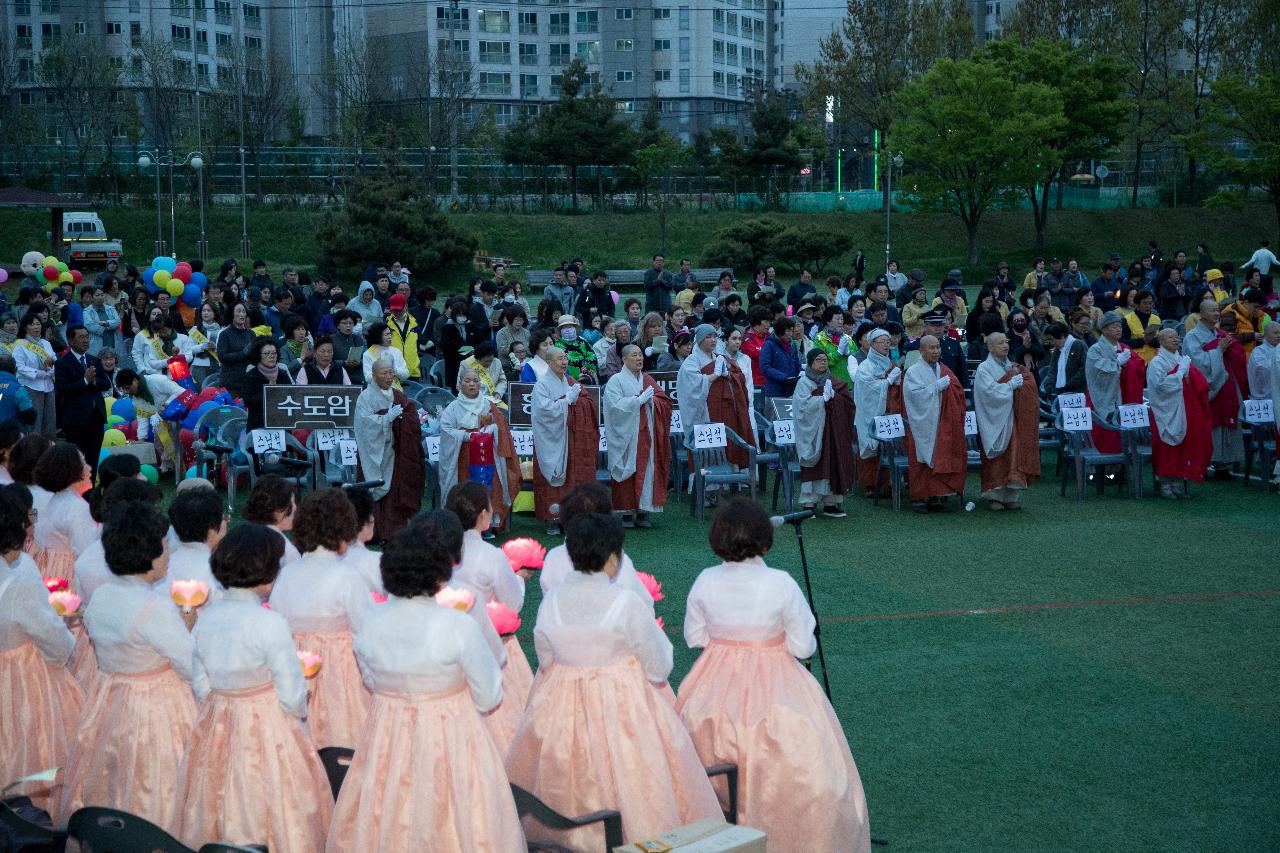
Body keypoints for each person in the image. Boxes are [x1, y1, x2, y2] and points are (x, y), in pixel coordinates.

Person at [506, 512, 722, 849]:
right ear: (612, 558)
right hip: (624, 710)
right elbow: (660, 665)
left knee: (563, 782)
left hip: (561, 712)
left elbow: (545, 658)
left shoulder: (553, 602)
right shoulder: (625, 603)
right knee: (636, 784)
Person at [676, 498, 872, 853]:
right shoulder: (780, 583)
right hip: (777, 683)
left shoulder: (705, 580)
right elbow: (802, 646)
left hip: (712, 686)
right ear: (765, 541)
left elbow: (695, 637)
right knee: (809, 759)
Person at [326, 516, 523, 852]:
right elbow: (490, 695)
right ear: (440, 572)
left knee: (389, 814)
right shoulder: (457, 626)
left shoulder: (372, 621)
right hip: (453, 736)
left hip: (387, 736)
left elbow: (371, 679)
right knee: (459, 819)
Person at [173, 524, 333, 853]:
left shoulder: (208, 618)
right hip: (269, 726)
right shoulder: (269, 623)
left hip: (218, 722)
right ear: (268, 572)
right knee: (274, 799)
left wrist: (226, 700)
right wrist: (300, 707)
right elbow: (291, 696)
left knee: (219, 793)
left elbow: (201, 684)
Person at [58, 500, 196, 832]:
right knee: (157, 783)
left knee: (112, 776)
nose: (169, 554)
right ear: (148, 553)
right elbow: (190, 664)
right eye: (164, 546)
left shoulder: (103, 596)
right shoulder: (154, 607)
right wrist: (187, 626)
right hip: (158, 708)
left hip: (109, 701)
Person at [268, 488, 372, 752]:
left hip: (294, 674)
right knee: (343, 743)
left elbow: (277, 625)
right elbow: (365, 632)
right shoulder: (348, 577)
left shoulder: (287, 575)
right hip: (341, 679)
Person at [0, 484, 81, 812]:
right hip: (24, 677)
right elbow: (55, 642)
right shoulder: (19, 582)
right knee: (34, 749)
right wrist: (66, 633)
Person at [445, 482, 531, 752]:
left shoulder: (438, 551)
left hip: (445, 646)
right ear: (483, 516)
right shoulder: (491, 556)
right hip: (491, 642)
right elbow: (513, 603)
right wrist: (520, 578)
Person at [354, 360, 425, 541]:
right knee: (372, 491)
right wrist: (386, 419)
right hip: (374, 453)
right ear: (374, 374)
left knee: (396, 493)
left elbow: (411, 416)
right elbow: (364, 425)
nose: (388, 377)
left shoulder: (398, 395)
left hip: (396, 453)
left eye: (390, 373)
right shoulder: (366, 397)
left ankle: (395, 531)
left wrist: (402, 419)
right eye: (383, 373)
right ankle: (373, 533)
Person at [604, 344, 673, 528]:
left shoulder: (648, 379)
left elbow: (664, 402)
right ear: (624, 360)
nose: (639, 358)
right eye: (634, 355)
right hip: (625, 435)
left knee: (647, 469)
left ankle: (643, 511)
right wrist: (638, 401)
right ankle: (626, 513)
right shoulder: (615, 381)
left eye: (640, 355)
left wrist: (652, 401)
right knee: (626, 468)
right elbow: (614, 407)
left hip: (646, 434)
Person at [533, 348, 600, 535]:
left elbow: (586, 402)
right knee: (552, 478)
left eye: (565, 358)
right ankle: (551, 519)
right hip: (551, 439)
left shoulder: (570, 381)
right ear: (549, 362)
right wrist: (567, 401)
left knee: (571, 478)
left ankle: (569, 517)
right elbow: (543, 412)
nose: (564, 362)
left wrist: (574, 401)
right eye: (559, 359)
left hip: (570, 439)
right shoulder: (542, 385)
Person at [973, 333, 1041, 511]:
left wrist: (1020, 383)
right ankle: (993, 495)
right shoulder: (984, 368)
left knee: (1014, 454)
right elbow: (988, 393)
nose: (1005, 346)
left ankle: (1011, 495)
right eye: (1000, 343)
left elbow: (1025, 384)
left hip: (1012, 417)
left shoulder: (1011, 366)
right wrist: (1010, 385)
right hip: (994, 419)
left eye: (1006, 342)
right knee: (997, 458)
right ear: (990, 347)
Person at [901, 335, 967, 513]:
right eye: (931, 348)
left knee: (939, 456)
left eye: (938, 347)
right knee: (920, 461)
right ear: (921, 351)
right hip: (921, 423)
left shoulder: (943, 369)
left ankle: (935, 495)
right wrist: (935, 388)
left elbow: (957, 390)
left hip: (941, 421)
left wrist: (947, 387)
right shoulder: (913, 371)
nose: (936, 351)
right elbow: (913, 396)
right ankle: (919, 498)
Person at [1147, 328, 1213, 497]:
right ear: (1161, 341)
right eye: (1170, 337)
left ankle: (1176, 483)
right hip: (1165, 411)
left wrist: (1184, 372)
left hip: (1182, 409)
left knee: (1182, 447)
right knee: (1166, 447)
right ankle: (1164, 484)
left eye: (1177, 337)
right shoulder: (1157, 362)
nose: (1175, 340)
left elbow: (1197, 383)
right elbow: (1160, 386)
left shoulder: (1182, 359)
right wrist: (1180, 373)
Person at [1182, 301, 1244, 473]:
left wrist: (1228, 349)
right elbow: (1196, 362)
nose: (1216, 314)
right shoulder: (1192, 336)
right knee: (1208, 423)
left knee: (1225, 421)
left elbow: (1235, 356)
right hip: (1208, 387)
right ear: (1201, 313)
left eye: (1218, 310)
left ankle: (1223, 463)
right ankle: (1205, 463)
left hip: (1225, 383)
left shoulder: (1221, 334)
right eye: (1212, 310)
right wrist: (1218, 351)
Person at [792, 348, 856, 517]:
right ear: (811, 362)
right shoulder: (804, 382)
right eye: (819, 360)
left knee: (833, 462)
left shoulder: (834, 381)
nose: (823, 362)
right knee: (815, 465)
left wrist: (835, 399)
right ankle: (809, 504)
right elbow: (801, 407)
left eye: (825, 359)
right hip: (814, 433)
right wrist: (822, 400)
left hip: (833, 432)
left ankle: (831, 503)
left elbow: (849, 404)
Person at [31, 442, 95, 587]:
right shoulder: (76, 507)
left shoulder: (54, 501)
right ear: (72, 470)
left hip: (47, 575)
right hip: (68, 579)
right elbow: (86, 553)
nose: (90, 469)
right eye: (84, 464)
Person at [1084, 312, 1147, 455]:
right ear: (1104, 329)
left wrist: (1128, 365)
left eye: (1119, 327)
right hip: (1101, 397)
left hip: (1122, 396)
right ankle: (1102, 467)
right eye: (1114, 327)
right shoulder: (1095, 349)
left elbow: (1139, 367)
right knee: (1103, 433)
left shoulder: (1124, 347)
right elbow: (1096, 371)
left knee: (1120, 436)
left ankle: (1120, 466)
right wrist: (1118, 363)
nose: (1118, 330)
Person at [156, 486, 227, 608]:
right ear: (211, 531)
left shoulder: (165, 563)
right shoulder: (217, 572)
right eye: (224, 518)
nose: (226, 522)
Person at [852, 328, 902, 499]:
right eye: (882, 342)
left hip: (889, 410)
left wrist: (897, 380)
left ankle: (888, 482)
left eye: (888, 342)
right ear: (872, 344)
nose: (886, 345)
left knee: (890, 447)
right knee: (869, 444)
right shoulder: (865, 366)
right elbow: (866, 388)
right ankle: (870, 484)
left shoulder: (890, 364)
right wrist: (887, 381)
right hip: (870, 411)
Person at [55, 324, 110, 478]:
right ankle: (77, 496)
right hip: (76, 421)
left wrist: (93, 382)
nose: (86, 340)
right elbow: (63, 389)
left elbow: (105, 384)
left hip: (96, 418)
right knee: (77, 462)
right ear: (70, 341)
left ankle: (91, 497)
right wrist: (85, 381)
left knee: (93, 461)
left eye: (87, 336)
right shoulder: (62, 363)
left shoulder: (93, 360)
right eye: (81, 337)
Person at [13, 311, 57, 437]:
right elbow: (19, 367)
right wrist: (39, 373)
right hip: (31, 386)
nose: (37, 327)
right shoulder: (20, 345)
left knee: (50, 420)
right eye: (32, 324)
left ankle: (49, 447)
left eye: (38, 324)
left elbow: (55, 361)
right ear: (26, 327)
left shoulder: (46, 343)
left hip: (48, 386)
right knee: (35, 422)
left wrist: (51, 369)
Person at [457, 340, 508, 408]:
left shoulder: (497, 362)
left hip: (494, 400)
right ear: (478, 359)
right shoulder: (466, 364)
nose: (489, 363)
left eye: (491, 360)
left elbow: (502, 381)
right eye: (487, 361)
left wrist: (498, 393)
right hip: (472, 401)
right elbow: (459, 386)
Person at [384, 293, 422, 381]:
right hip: (393, 372)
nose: (396, 312)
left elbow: (417, 345)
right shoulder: (385, 325)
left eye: (399, 309)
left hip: (413, 372)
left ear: (406, 307)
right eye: (394, 310)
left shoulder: (415, 324)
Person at [1045, 321, 1088, 398]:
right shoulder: (1057, 350)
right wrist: (1049, 385)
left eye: (1052, 339)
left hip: (1077, 392)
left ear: (1061, 336)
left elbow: (1084, 370)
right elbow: (1052, 370)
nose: (1051, 343)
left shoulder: (1079, 345)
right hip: (1059, 392)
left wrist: (1068, 386)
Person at [1122, 290, 1162, 364]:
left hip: (1155, 360)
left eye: (1150, 303)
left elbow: (1161, 341)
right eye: (1145, 303)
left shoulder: (1156, 319)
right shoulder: (1127, 320)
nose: (1148, 306)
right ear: (1137, 304)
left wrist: (1151, 340)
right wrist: (1143, 340)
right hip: (1135, 360)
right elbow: (1123, 343)